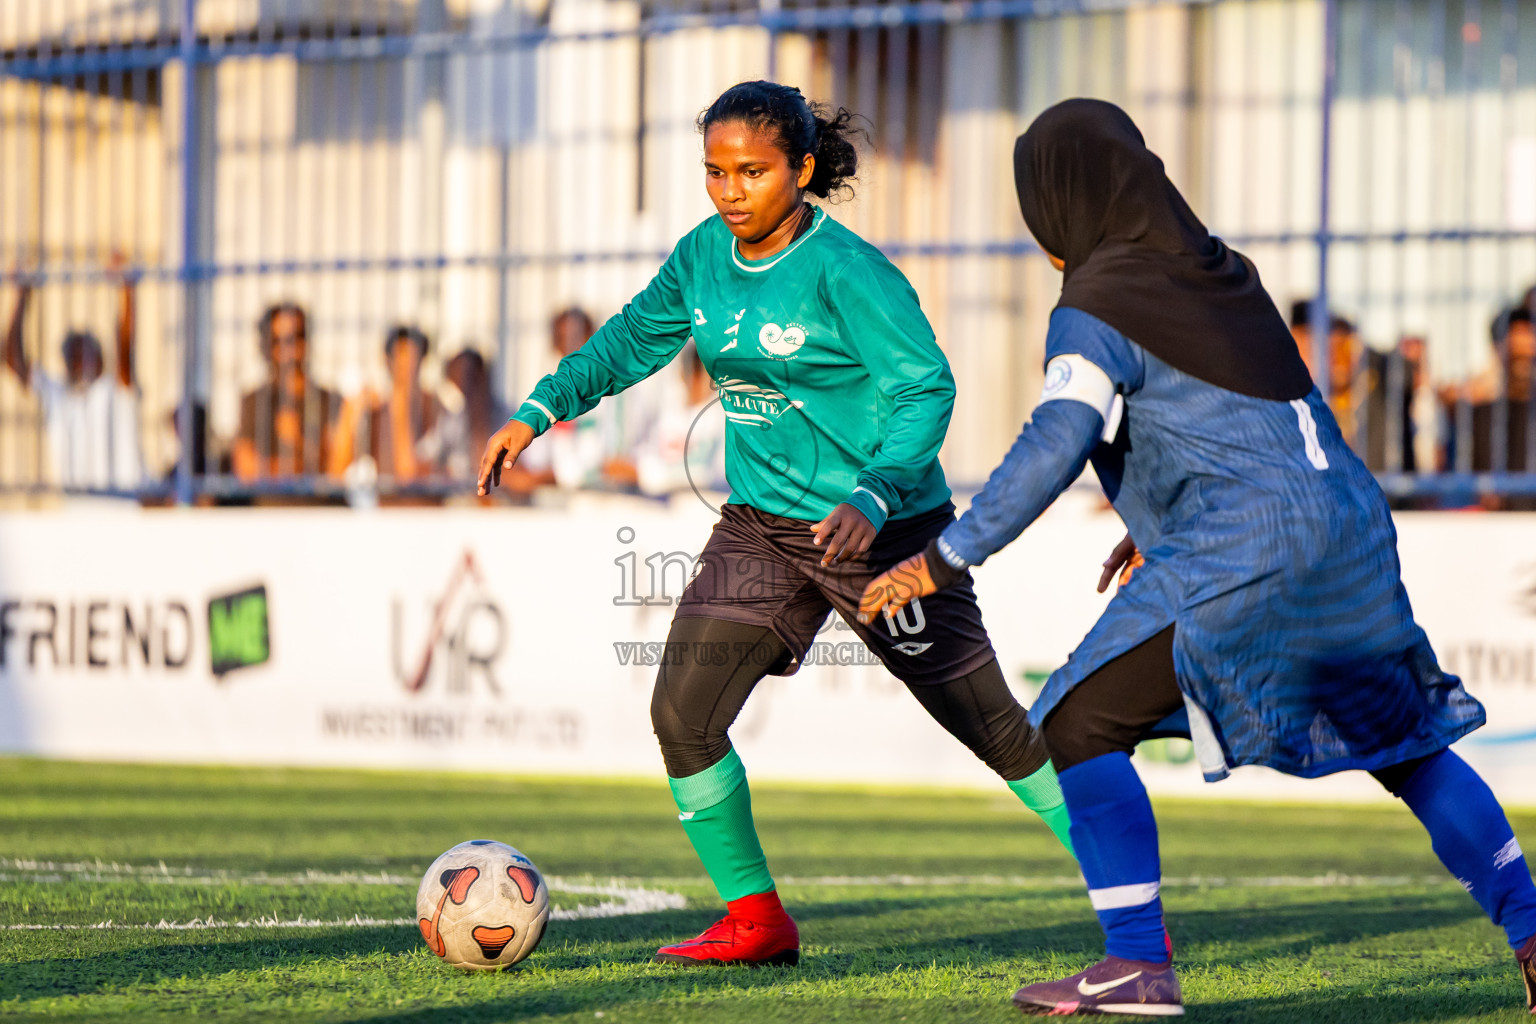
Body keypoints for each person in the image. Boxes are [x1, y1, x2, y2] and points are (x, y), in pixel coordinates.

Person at [859, 99, 1536, 1017]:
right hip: (1346, 525)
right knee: (1406, 744)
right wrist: (1163, 510)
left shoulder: (1096, 303)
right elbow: (1247, 413)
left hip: (1247, 550)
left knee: (1073, 726)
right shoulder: (1223, 272)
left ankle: (1138, 962)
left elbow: (1056, 440)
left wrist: (945, 557)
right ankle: (1533, 932)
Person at [478, 81, 1076, 968]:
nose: (729, 191)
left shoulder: (851, 272)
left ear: (800, 170)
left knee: (994, 729)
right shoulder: (701, 258)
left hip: (883, 532)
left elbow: (926, 389)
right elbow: (628, 341)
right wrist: (538, 410)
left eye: (751, 172)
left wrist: (872, 497)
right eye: (714, 172)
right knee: (683, 712)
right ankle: (757, 920)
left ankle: (1132, 900)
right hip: (762, 529)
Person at [3, 256, 145, 491]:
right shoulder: (57, 394)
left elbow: (125, 347)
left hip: (125, 511)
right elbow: (13, 359)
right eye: (76, 356)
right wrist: (21, 296)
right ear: (67, 364)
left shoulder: (115, 390)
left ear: (101, 360)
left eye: (89, 354)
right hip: (77, 514)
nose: (83, 363)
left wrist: (126, 287)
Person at [233, 303, 343, 482]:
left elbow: (335, 469)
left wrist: (298, 443)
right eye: (277, 341)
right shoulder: (254, 401)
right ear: (266, 346)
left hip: (318, 507)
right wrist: (299, 466)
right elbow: (246, 469)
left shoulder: (329, 400)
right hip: (267, 507)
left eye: (295, 338)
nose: (288, 351)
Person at [329, 325, 444, 484]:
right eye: (401, 360)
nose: (407, 369)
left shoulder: (437, 412)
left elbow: (408, 478)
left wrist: (399, 410)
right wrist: (350, 412)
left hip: (424, 507)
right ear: (387, 361)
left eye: (413, 360)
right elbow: (336, 474)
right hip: (384, 507)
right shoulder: (376, 414)